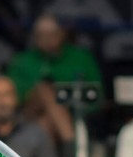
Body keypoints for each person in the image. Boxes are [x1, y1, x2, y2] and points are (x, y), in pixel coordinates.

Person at [6, 12, 103, 144]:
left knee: (47, 121)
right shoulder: (22, 61)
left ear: (62, 34)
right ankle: (71, 145)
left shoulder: (81, 58)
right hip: (27, 115)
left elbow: (97, 95)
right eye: (41, 35)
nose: (47, 39)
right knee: (44, 90)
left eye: (52, 34)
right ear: (34, 37)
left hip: (73, 116)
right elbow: (13, 97)